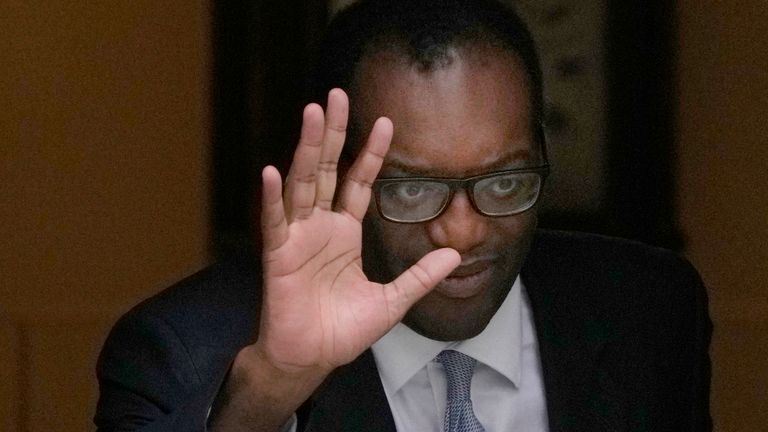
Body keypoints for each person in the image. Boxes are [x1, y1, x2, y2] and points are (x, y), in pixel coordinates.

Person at [95, 1, 712, 431]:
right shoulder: (178, 349)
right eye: (413, 191)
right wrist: (268, 394)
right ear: (340, 179)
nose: (463, 232)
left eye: (504, 181)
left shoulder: (649, 311)